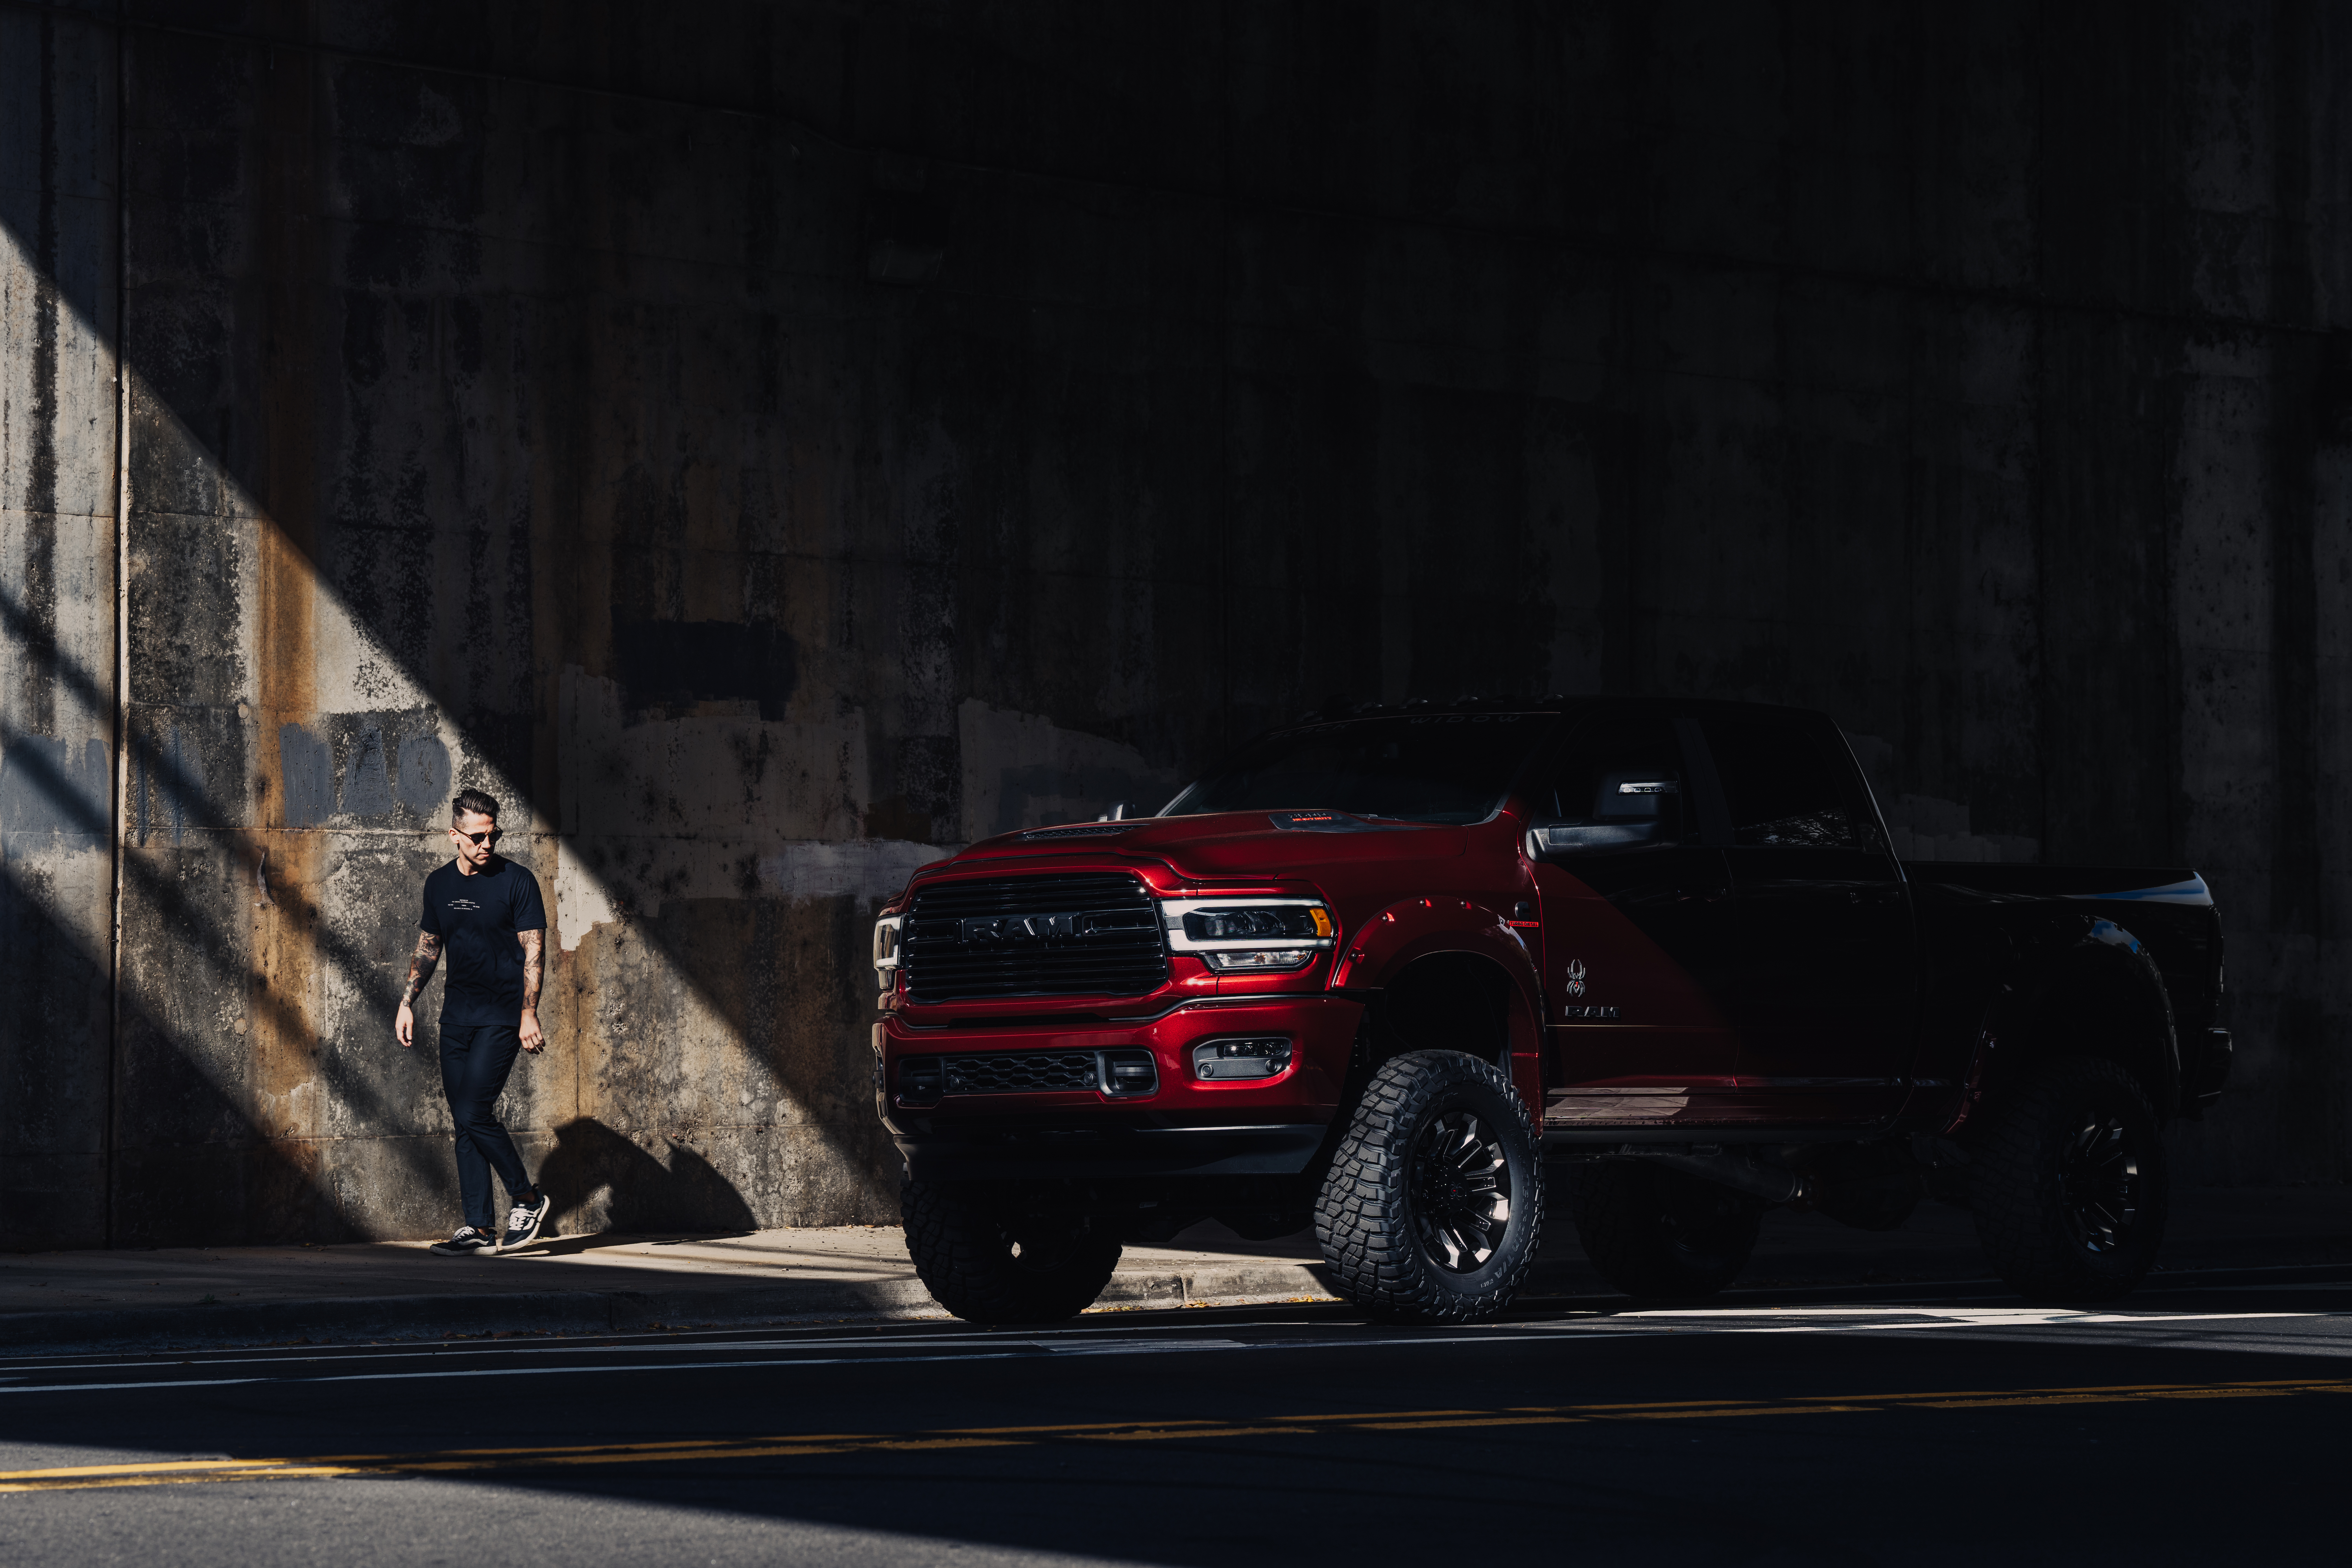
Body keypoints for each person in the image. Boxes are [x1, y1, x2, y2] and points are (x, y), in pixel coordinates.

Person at [395, 787, 555, 1256]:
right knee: (463, 1122)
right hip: (457, 1018)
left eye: (494, 835)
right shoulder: (439, 885)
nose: (488, 844)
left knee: (473, 1111)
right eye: (478, 836)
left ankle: (528, 1197)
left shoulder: (517, 881)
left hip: (503, 1017)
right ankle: (480, 1226)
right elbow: (429, 946)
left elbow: (535, 951)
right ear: (454, 835)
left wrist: (529, 1012)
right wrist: (408, 1002)